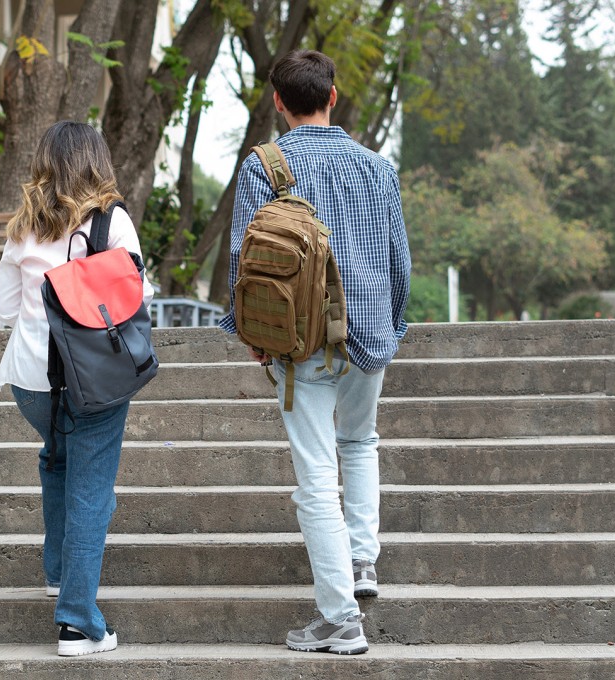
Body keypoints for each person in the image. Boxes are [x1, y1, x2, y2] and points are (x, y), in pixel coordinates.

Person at [220, 50, 411, 655]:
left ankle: (339, 619)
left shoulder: (265, 166)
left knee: (315, 475)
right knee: (359, 443)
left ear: (278, 102)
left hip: (300, 341)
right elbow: (400, 264)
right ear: (334, 94)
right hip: (369, 336)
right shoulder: (378, 168)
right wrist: (390, 328)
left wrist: (252, 334)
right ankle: (361, 564)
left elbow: (242, 260)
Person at [0, 120, 154, 657]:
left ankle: (59, 573)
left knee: (57, 459)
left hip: (32, 380)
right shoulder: (114, 221)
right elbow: (138, 296)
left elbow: (6, 312)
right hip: (94, 379)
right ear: (97, 162)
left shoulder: (22, 227)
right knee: (91, 487)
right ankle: (78, 624)